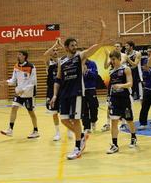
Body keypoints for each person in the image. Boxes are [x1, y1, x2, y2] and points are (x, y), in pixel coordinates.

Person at [50, 19, 106, 160]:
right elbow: (57, 80)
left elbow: (97, 45)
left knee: (75, 120)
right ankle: (81, 137)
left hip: (77, 93)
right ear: (67, 47)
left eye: (76, 44)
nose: (75, 46)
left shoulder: (79, 57)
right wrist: (55, 96)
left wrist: (102, 30)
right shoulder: (61, 61)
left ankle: (77, 147)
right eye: (72, 45)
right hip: (64, 94)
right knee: (64, 120)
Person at [0, 51, 39, 139]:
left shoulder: (31, 66)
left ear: (24, 56)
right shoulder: (16, 66)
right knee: (14, 108)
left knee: (31, 112)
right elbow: (13, 80)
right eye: (17, 54)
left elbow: (33, 82)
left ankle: (36, 131)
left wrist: (23, 90)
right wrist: (6, 82)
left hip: (28, 93)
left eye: (20, 54)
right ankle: (10, 130)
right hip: (19, 93)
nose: (17, 55)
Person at [106, 50, 137, 154]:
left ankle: (133, 136)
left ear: (119, 59)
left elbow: (130, 83)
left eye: (114, 59)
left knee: (129, 120)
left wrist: (120, 85)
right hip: (114, 99)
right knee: (113, 122)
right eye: (111, 59)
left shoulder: (126, 69)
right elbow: (111, 87)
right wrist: (109, 98)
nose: (112, 61)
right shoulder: (111, 71)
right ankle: (114, 145)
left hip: (125, 98)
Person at [44, 38, 73, 141]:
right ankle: (57, 133)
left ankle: (69, 130)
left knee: (67, 111)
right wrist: (54, 45)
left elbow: (69, 52)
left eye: (57, 50)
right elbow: (45, 55)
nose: (55, 52)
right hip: (52, 91)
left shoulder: (62, 61)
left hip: (63, 90)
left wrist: (60, 44)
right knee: (54, 112)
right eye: (53, 50)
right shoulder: (49, 63)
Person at [101, 42, 128, 132]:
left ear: (121, 47)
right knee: (109, 103)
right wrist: (106, 56)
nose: (116, 48)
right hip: (113, 81)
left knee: (123, 103)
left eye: (118, 46)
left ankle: (123, 122)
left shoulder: (123, 55)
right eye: (115, 46)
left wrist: (112, 59)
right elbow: (105, 66)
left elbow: (121, 62)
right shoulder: (111, 57)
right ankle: (108, 123)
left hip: (121, 81)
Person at [82, 59, 99, 133]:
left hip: (91, 89)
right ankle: (86, 127)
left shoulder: (92, 63)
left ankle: (93, 121)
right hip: (82, 90)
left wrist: (87, 71)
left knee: (94, 107)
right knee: (84, 109)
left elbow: (95, 76)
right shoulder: (77, 64)